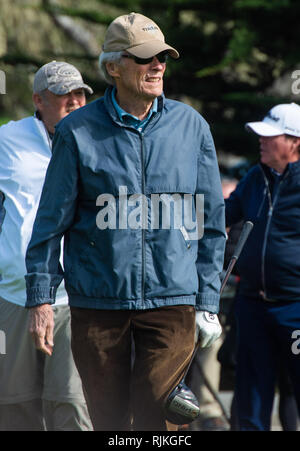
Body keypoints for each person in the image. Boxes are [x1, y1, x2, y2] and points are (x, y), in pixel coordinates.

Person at [24, 13, 226, 431]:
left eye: (163, 58)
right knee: (110, 421)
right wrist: (41, 300)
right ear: (113, 67)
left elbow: (212, 225)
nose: (157, 67)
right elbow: (50, 222)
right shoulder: (76, 131)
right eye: (145, 58)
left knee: (165, 419)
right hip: (98, 302)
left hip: (173, 300)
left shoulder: (192, 128)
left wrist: (207, 301)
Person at [0, 61, 93, 431]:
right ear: (38, 100)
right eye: (62, 95)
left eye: (80, 94)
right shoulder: (7, 140)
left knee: (72, 406)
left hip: (75, 296)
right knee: (14, 408)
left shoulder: (100, 139)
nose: (74, 101)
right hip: (12, 294)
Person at [225, 102, 300, 431]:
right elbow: (221, 216)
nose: (261, 140)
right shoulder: (255, 177)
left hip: (296, 309)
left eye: (270, 136)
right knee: (250, 405)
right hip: (252, 305)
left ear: (294, 142)